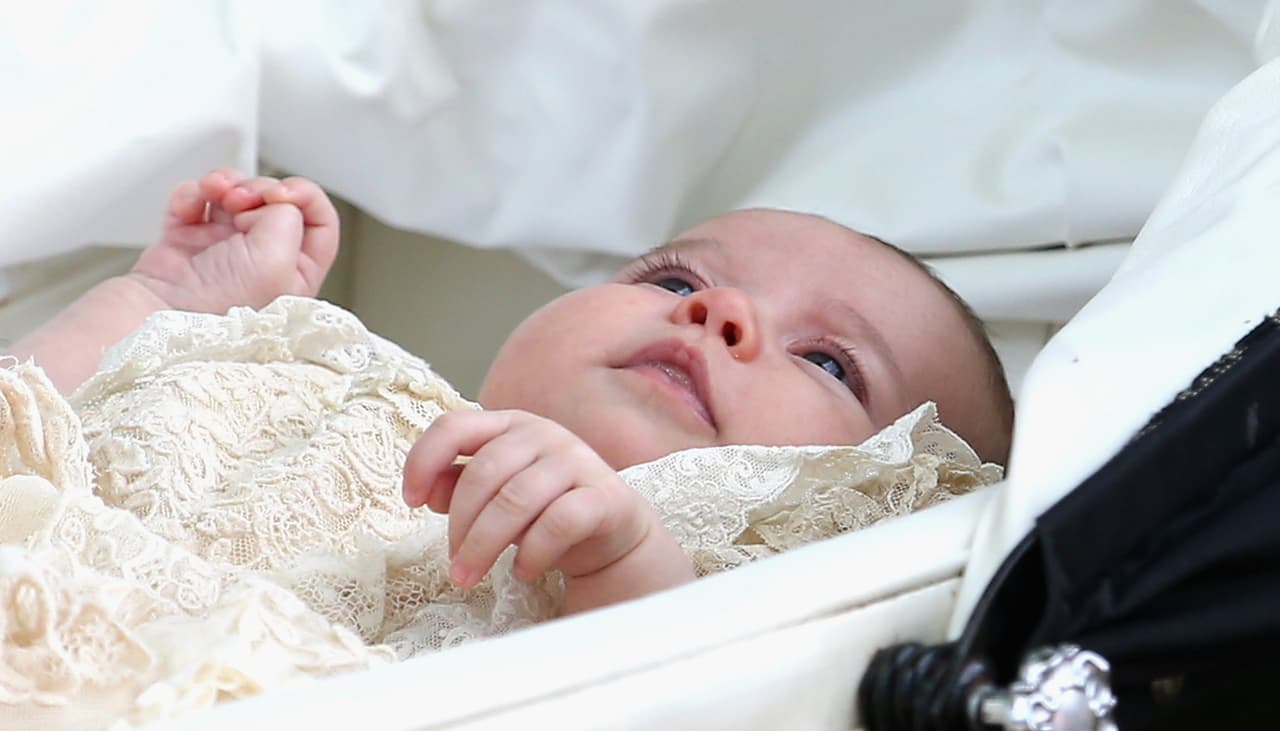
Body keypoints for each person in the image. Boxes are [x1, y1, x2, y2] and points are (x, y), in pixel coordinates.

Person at [6, 168, 1013, 616]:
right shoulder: (344, 388)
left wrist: (620, 558)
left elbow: (671, 687)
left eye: (827, 360)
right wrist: (162, 304)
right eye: (673, 280)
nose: (722, 315)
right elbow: (32, 435)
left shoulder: (689, 583)